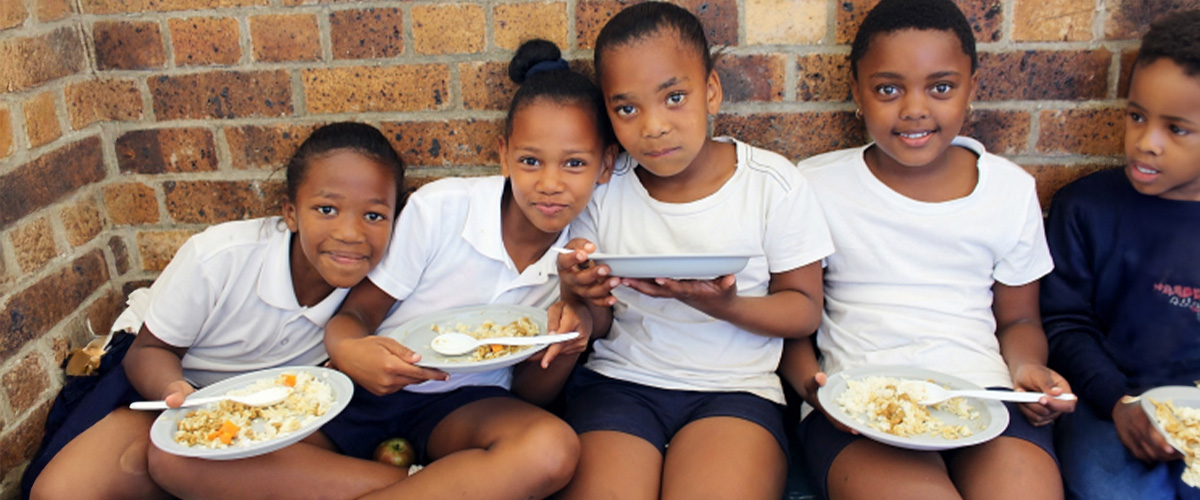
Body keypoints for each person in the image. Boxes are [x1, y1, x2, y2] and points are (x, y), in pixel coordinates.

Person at [149, 39, 618, 500]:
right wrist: (353, 354)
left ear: (604, 166)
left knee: (552, 450)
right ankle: (432, 485)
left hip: (467, 407)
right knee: (176, 458)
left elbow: (534, 395)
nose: (550, 183)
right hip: (366, 390)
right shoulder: (444, 209)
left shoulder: (587, 248)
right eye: (530, 161)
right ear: (503, 155)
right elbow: (353, 318)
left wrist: (572, 320)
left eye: (575, 163)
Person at [778, 1, 1078, 499]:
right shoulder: (815, 186)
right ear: (857, 91)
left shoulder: (1008, 189)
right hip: (860, 405)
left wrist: (1026, 369)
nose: (914, 108)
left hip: (983, 396)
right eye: (888, 89)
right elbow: (793, 319)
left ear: (971, 89)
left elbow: (1020, 320)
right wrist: (816, 388)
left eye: (940, 87)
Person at [23, 121, 407, 500]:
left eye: (374, 216)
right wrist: (178, 395)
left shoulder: (385, 282)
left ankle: (425, 485)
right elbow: (149, 352)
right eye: (326, 209)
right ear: (290, 213)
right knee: (59, 492)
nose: (350, 233)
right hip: (170, 381)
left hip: (272, 406)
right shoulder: (219, 257)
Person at [553, 3, 832, 499]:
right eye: (627, 108)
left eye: (674, 97)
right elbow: (599, 325)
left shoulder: (771, 184)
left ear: (711, 92)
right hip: (620, 383)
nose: (653, 126)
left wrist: (725, 305)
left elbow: (804, 310)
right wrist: (580, 292)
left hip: (735, 391)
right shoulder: (605, 187)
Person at [1043, 10, 1200, 500]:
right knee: (1102, 486)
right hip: (1110, 407)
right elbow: (1065, 323)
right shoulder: (1086, 208)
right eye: (1137, 116)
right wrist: (1118, 402)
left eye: (1176, 129)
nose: (1145, 143)